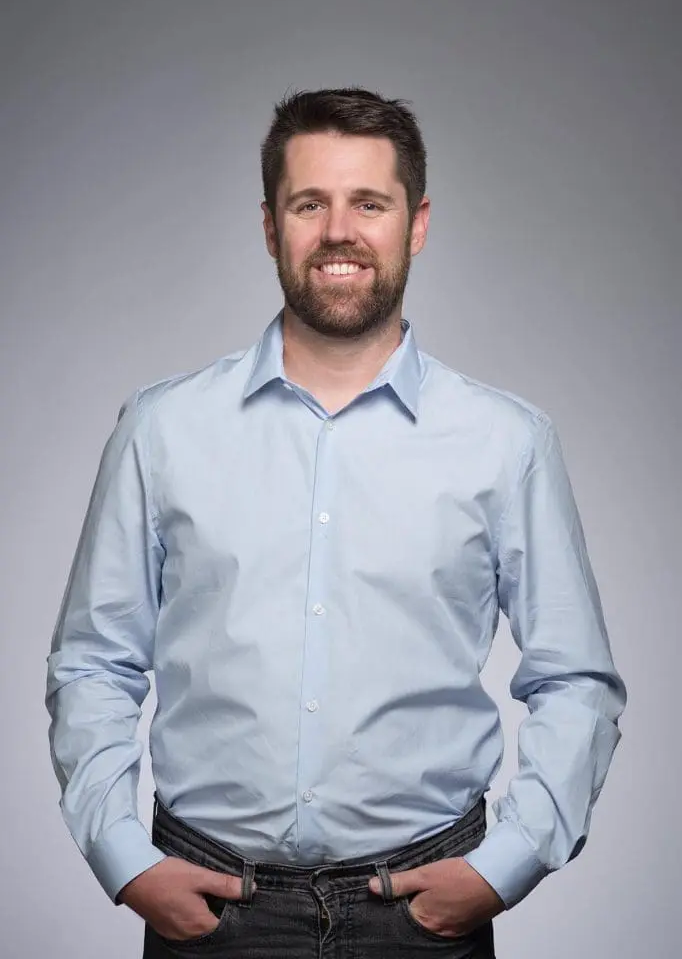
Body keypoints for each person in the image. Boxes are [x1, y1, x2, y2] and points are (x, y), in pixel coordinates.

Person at [46, 87, 626, 958]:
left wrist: (505, 866)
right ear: (270, 226)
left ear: (416, 224)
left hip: (423, 916)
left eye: (369, 204)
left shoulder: (509, 443)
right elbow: (93, 660)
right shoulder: (161, 429)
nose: (339, 232)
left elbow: (576, 679)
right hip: (211, 913)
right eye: (309, 204)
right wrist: (124, 860)